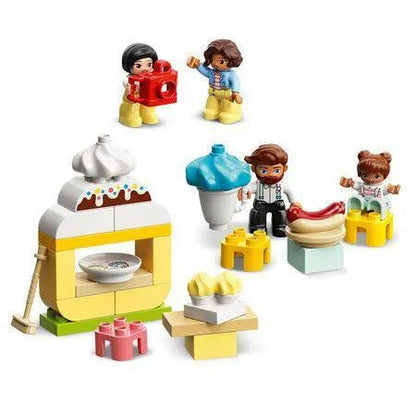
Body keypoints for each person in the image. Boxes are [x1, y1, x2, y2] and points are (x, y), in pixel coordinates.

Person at [242, 144, 299, 237]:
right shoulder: (257, 185)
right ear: (253, 169)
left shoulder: (282, 185)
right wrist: (244, 191)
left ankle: (280, 226)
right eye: (263, 171)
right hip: (261, 203)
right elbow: (248, 189)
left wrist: (294, 202)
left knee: (281, 213)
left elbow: (289, 191)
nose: (270, 175)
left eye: (276, 171)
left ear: (285, 168)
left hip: (277, 203)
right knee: (258, 213)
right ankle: (258, 226)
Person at [187, 39, 243, 124]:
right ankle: (213, 109)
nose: (215, 63)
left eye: (221, 61)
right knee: (211, 105)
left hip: (227, 95)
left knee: (228, 104)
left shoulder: (231, 74)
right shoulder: (212, 72)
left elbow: (236, 82)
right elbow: (205, 71)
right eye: (213, 60)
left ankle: (229, 112)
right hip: (213, 93)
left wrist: (235, 93)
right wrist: (198, 65)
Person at [340, 150, 400, 219]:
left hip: (377, 206)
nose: (370, 179)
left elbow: (386, 190)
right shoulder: (362, 185)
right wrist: (350, 183)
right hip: (364, 205)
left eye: (376, 176)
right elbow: (355, 184)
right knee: (357, 199)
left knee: (378, 203)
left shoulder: (381, 187)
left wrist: (391, 190)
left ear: (385, 175)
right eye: (365, 175)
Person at [119, 43, 159, 127]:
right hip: (133, 93)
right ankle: (127, 115)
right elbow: (126, 81)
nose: (144, 69)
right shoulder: (131, 77)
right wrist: (128, 86)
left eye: (149, 64)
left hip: (146, 94)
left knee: (148, 104)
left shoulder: (150, 76)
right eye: (138, 65)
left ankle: (147, 113)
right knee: (132, 104)